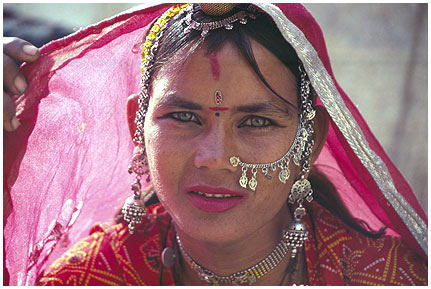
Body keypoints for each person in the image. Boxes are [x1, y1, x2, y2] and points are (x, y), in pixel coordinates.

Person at [4, 3, 427, 286]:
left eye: (257, 121)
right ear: (138, 128)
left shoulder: (388, 278)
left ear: (309, 142)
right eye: (185, 117)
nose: (215, 158)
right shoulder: (92, 277)